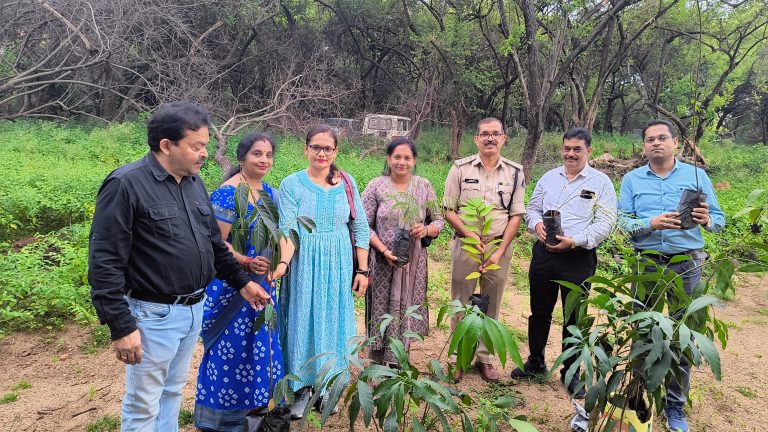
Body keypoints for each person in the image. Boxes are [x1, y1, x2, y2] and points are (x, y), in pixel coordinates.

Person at [88, 101, 271, 432]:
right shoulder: (126, 184)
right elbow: (104, 261)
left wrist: (242, 282)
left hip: (192, 310)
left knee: (172, 393)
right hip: (152, 314)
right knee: (143, 403)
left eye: (205, 146)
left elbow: (214, 245)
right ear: (166, 145)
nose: (204, 154)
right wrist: (120, 325)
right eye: (196, 146)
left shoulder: (193, 183)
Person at [618, 119, 724, 432]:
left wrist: (707, 220)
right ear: (643, 146)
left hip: (688, 264)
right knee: (643, 330)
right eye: (650, 139)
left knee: (684, 335)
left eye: (662, 137)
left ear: (675, 142)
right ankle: (638, 396)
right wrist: (649, 224)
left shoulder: (696, 175)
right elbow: (622, 221)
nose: (656, 143)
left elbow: (718, 219)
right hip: (648, 264)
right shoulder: (632, 180)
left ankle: (675, 406)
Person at [510, 127, 617, 399]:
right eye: (567, 148)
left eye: (577, 149)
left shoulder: (601, 182)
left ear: (589, 151)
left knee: (574, 317)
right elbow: (532, 208)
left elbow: (606, 222)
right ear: (562, 149)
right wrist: (536, 225)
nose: (571, 153)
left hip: (578, 258)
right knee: (539, 311)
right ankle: (536, 361)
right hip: (544, 255)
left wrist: (576, 240)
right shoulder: (549, 178)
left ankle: (571, 373)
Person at [272, 124, 370, 408]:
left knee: (334, 319)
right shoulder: (291, 184)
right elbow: (288, 228)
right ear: (305, 149)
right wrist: (282, 264)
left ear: (336, 151)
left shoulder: (348, 183)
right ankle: (300, 388)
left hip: (338, 264)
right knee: (302, 317)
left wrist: (362, 270)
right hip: (304, 263)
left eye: (328, 148)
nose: (321, 153)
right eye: (316, 146)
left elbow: (360, 226)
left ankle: (328, 386)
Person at [194, 132, 284, 431]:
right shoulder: (228, 193)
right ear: (242, 157)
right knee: (230, 350)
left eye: (269, 154)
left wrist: (276, 263)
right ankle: (225, 420)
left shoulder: (270, 192)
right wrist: (246, 262)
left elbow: (279, 236)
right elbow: (217, 243)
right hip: (233, 286)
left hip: (264, 283)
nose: (264, 160)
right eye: (257, 153)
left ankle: (259, 415)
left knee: (259, 347)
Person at [443, 117, 526, 383]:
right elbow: (448, 209)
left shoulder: (515, 172)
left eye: (495, 134)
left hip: (498, 247)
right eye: (484, 134)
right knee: (461, 302)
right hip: (466, 244)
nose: (490, 138)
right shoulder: (459, 168)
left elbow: (516, 215)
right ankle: (458, 357)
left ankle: (485, 358)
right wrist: (469, 234)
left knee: (492, 302)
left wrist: (499, 251)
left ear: (504, 138)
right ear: (476, 139)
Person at [362, 137, 445, 366]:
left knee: (406, 305)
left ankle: (399, 360)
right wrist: (383, 249)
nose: (402, 162)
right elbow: (363, 225)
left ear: (414, 161)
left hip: (413, 262)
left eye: (407, 158)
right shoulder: (376, 186)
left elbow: (439, 220)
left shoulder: (423, 186)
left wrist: (426, 229)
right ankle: (377, 362)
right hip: (381, 261)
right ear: (388, 159)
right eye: (397, 157)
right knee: (380, 307)